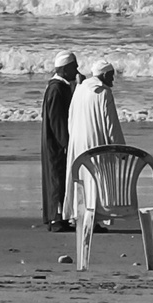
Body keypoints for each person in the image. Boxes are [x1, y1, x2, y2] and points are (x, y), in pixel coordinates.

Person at [63, 60, 127, 224]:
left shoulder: (80, 88)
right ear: (104, 75)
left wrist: (72, 137)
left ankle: (77, 214)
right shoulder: (103, 92)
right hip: (95, 140)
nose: (112, 81)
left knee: (80, 178)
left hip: (77, 140)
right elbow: (111, 123)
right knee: (96, 177)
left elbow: (71, 116)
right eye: (111, 76)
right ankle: (96, 216)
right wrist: (120, 149)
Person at [39, 51, 79, 231]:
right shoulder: (56, 89)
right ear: (64, 69)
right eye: (74, 66)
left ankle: (58, 216)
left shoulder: (60, 87)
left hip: (56, 142)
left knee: (58, 177)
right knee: (56, 177)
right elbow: (57, 121)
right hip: (55, 144)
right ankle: (56, 218)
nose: (77, 69)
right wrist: (67, 143)